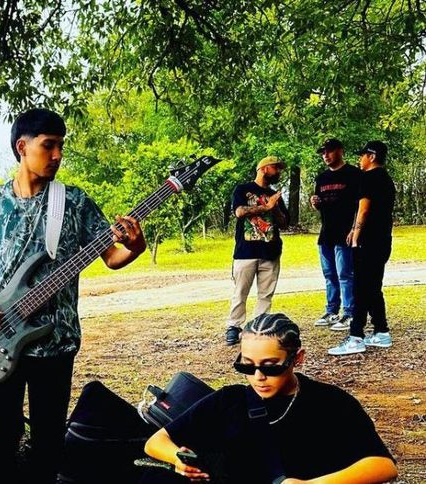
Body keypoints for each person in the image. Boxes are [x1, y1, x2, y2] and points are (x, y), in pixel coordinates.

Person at [0, 108, 146, 483]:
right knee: (2, 437)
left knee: (49, 441)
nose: (57, 155)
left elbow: (111, 257)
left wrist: (135, 248)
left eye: (61, 146)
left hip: (55, 343)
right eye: (48, 145)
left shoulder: (74, 202)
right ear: (22, 147)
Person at [144, 313, 398, 484]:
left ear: (297, 358)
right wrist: (177, 458)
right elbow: (156, 442)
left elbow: (384, 466)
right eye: (247, 365)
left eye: (270, 366)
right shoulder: (228, 401)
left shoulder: (330, 403)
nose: (258, 377)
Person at [329, 141, 396, 355]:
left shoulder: (368, 178)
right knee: (373, 286)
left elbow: (364, 209)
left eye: (363, 155)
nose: (360, 159)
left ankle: (356, 336)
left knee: (361, 288)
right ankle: (381, 331)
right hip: (383, 240)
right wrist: (354, 230)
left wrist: (356, 234)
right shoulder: (386, 179)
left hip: (368, 240)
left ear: (372, 156)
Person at [225, 156, 289, 346]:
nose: (279, 172)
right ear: (263, 168)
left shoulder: (275, 194)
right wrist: (265, 206)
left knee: (265, 294)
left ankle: (258, 328)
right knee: (240, 292)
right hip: (246, 251)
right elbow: (239, 212)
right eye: (276, 168)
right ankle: (234, 327)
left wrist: (275, 209)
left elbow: (284, 223)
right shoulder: (242, 189)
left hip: (270, 252)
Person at [310, 138, 360, 329]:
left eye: (329, 151)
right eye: (323, 152)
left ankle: (350, 313)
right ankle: (332, 311)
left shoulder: (353, 174)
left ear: (340, 151)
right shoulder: (322, 178)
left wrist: (355, 229)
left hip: (345, 233)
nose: (325, 155)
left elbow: (361, 204)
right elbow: (321, 203)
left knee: (345, 274)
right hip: (326, 233)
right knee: (329, 274)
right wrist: (315, 203)